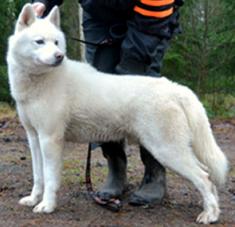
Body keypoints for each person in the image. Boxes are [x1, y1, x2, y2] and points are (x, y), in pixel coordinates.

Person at [32, 0, 184, 206]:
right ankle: (116, 168)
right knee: (100, 92)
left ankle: (154, 172)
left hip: (151, 16)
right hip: (99, 14)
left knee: (139, 87)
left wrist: (132, 61)